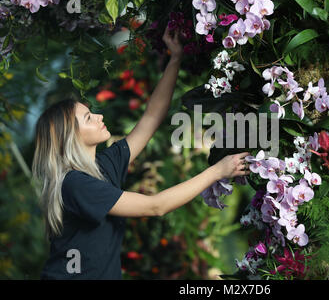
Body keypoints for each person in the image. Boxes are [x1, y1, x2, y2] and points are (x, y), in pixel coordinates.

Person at [31, 25, 251, 279]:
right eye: (89, 117)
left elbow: (151, 118)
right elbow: (154, 206)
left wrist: (175, 58)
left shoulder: (104, 165)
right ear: (69, 137)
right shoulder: (75, 184)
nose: (99, 116)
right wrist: (217, 171)